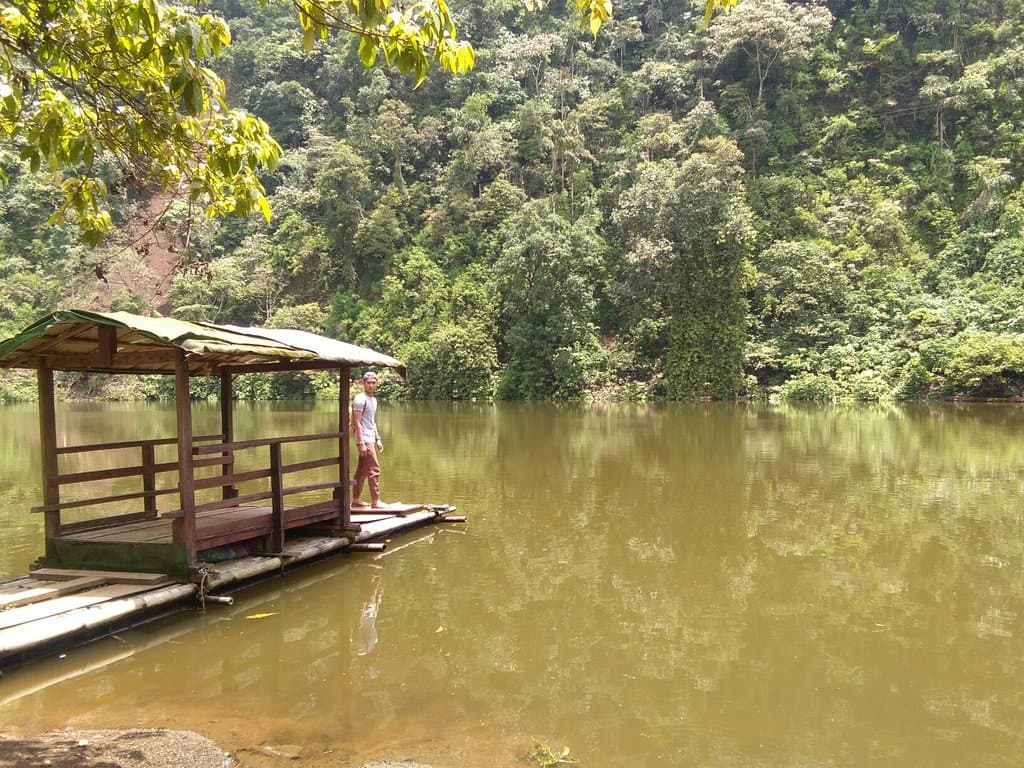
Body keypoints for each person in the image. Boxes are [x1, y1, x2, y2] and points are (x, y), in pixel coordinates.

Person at [351, 370, 389, 509]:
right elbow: (357, 422)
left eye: (373, 383)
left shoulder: (373, 400)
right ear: (363, 383)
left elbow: (372, 421)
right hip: (364, 439)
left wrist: (378, 439)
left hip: (370, 438)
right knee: (374, 469)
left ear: (377, 384)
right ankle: (376, 501)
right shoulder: (360, 400)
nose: (371, 385)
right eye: (369, 383)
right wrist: (361, 442)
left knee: (362, 471)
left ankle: (356, 499)